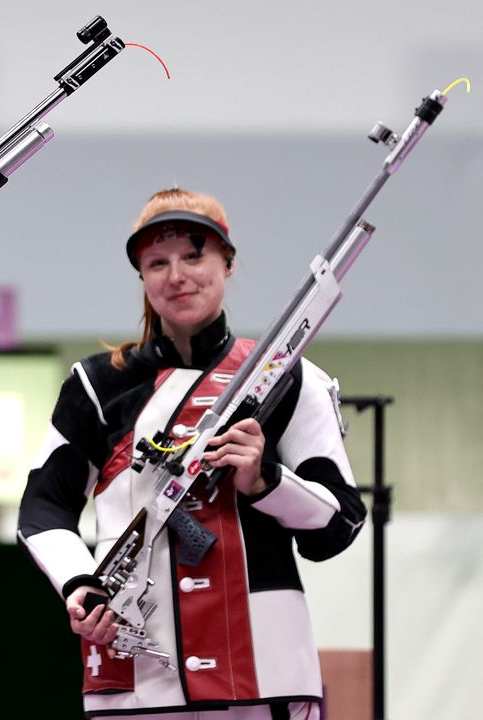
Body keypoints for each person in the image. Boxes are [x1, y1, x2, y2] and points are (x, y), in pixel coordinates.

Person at [18, 187, 367, 719]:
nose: (176, 275)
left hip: (263, 674)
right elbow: (43, 509)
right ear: (142, 277)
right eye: (157, 262)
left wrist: (265, 481)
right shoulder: (95, 384)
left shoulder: (286, 373)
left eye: (193, 255)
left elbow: (338, 525)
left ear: (227, 262)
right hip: (133, 670)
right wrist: (78, 582)